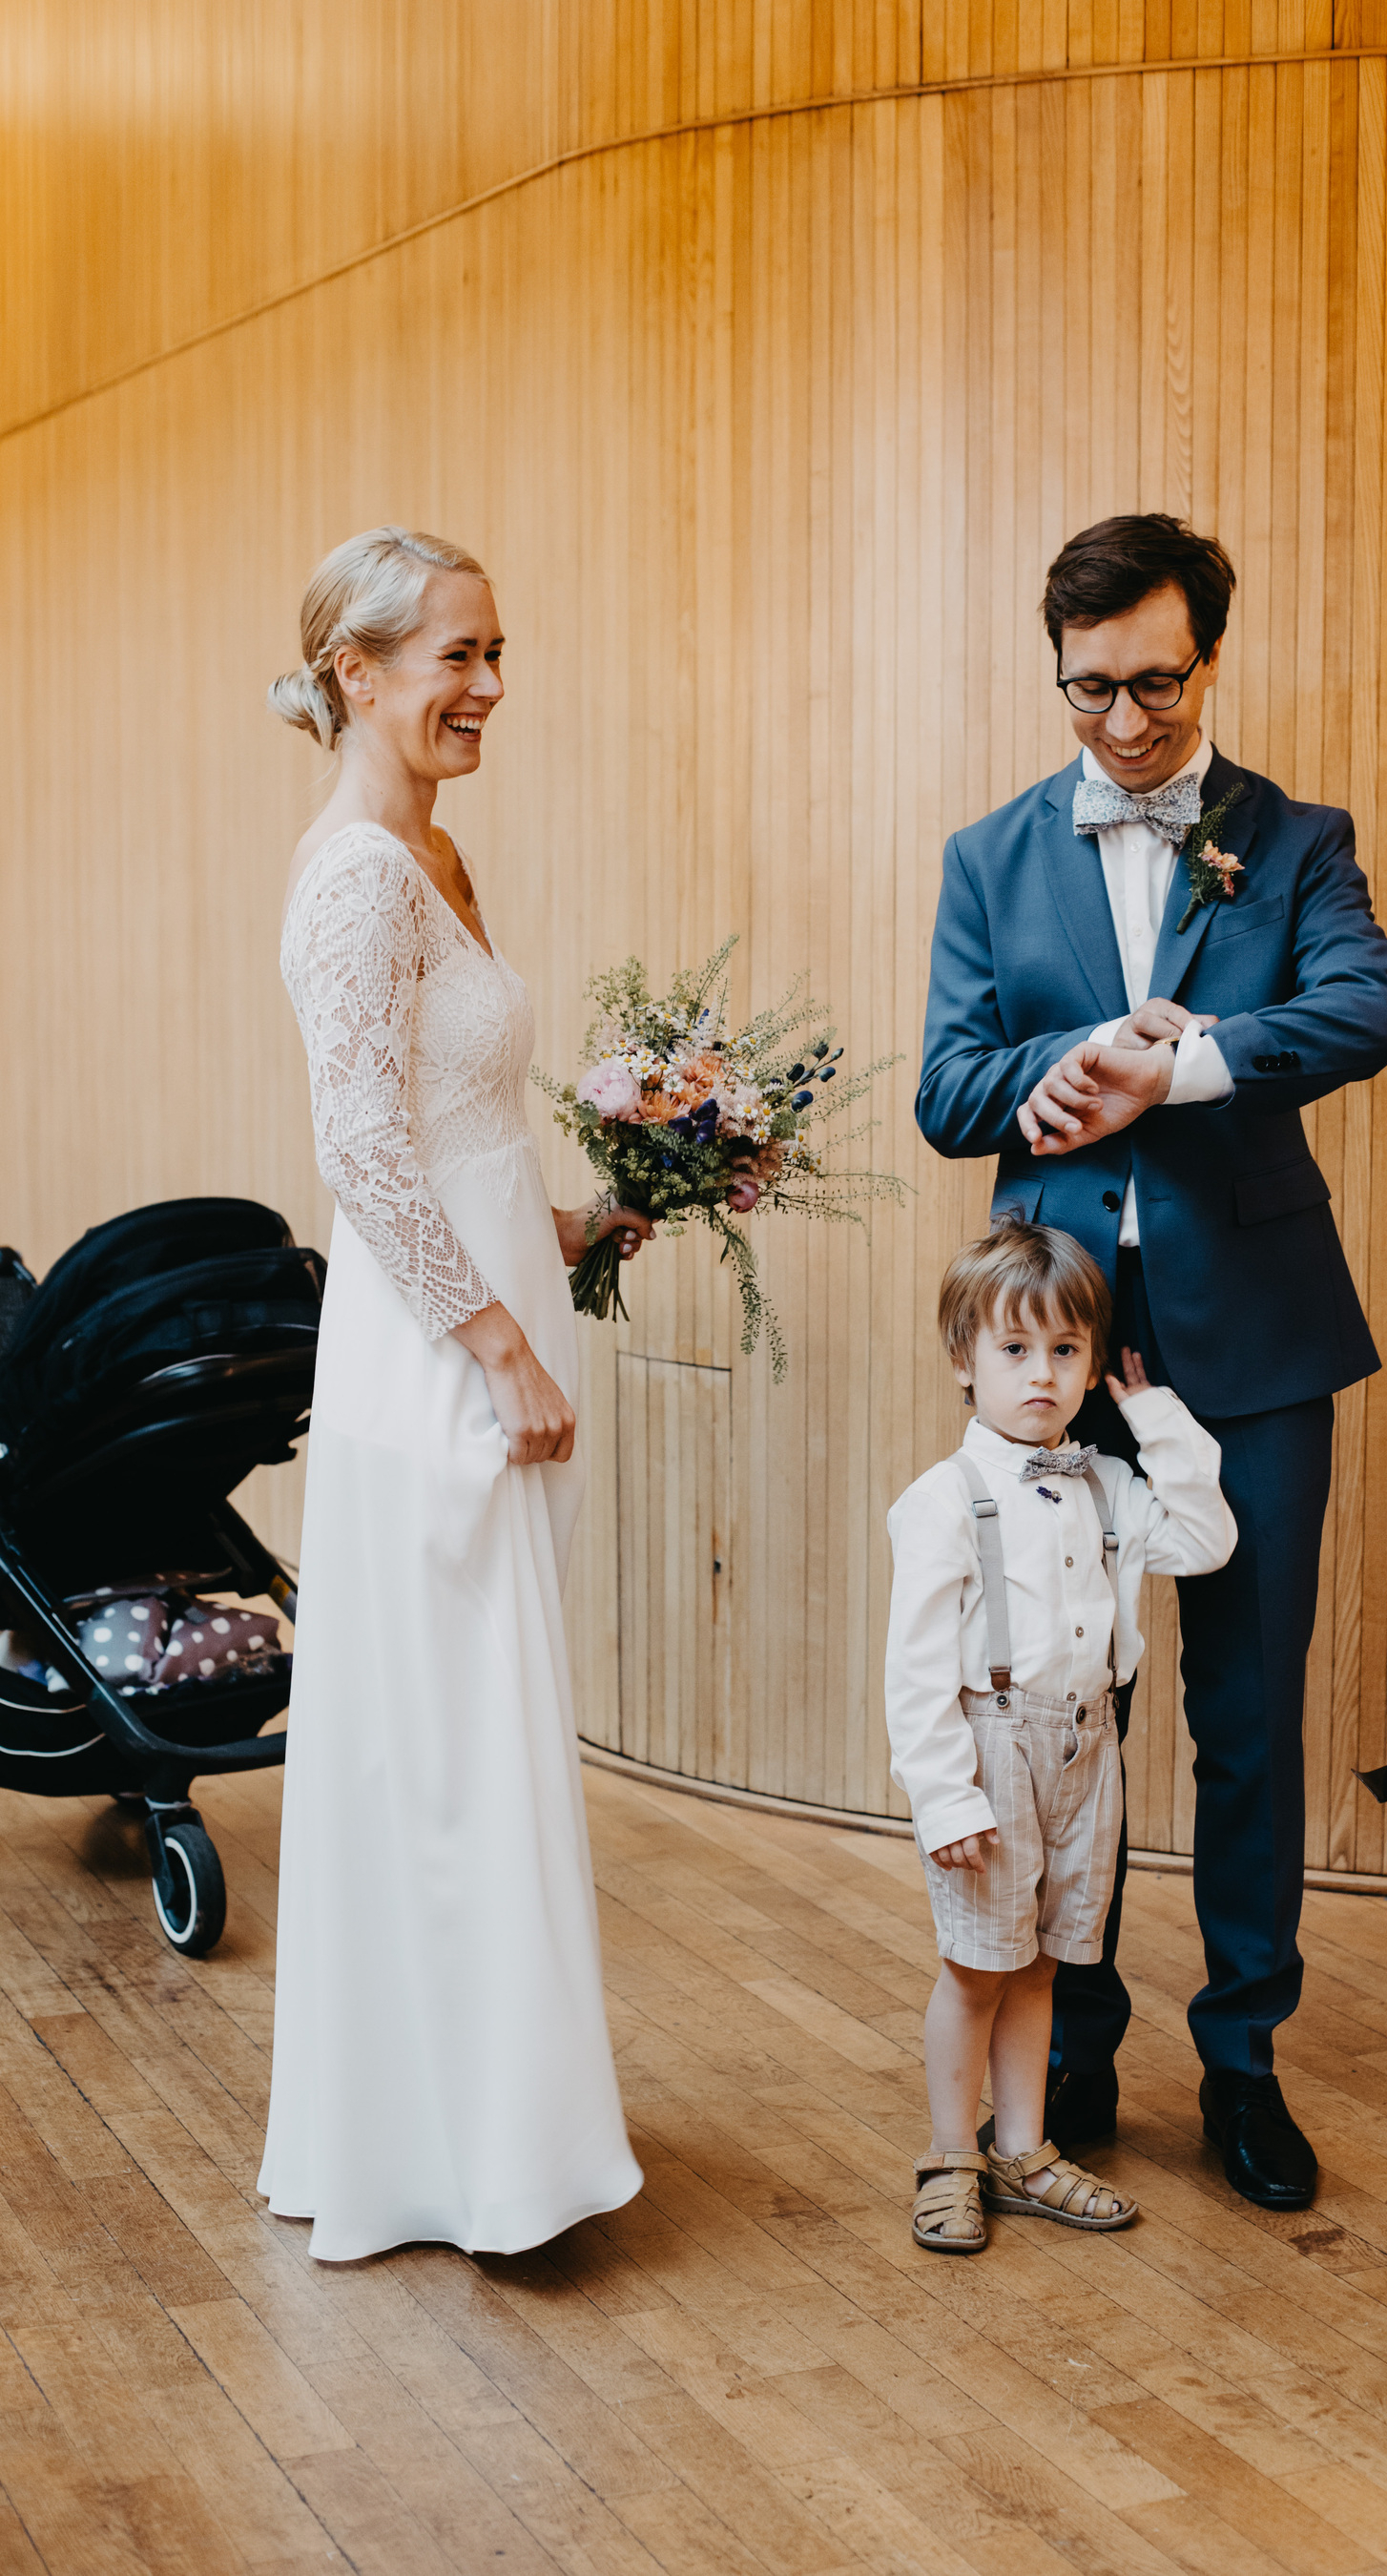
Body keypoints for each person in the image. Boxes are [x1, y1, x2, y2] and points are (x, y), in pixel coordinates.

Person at [917, 515, 1387, 2212]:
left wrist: (1183, 1068)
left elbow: (1364, 1010)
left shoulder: (1295, 839)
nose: (1124, 724)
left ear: (1210, 656)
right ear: (1056, 673)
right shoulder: (989, 856)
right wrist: (1058, 1064)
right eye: (1089, 691)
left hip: (1258, 1355)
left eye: (1154, 684)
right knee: (1063, 1713)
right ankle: (1073, 2039)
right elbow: (947, 1089)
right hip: (1052, 1365)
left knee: (1251, 1717)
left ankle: (1247, 2063)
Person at [259, 526, 657, 2260]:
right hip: (433, 1371)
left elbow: (451, 1129)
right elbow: (355, 1145)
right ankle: (464, 2161)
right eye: (457, 656)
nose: (490, 686)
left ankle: (467, 2131)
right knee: (443, 1751)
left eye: (501, 653)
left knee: (471, 1740)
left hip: (490, 1315)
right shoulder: (356, 872)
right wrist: (497, 1344)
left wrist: (579, 1220)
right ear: (359, 669)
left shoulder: (436, 853)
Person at [886, 1222, 1235, 2253]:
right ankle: (952, 2155)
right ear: (964, 1359)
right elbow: (915, 1674)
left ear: (1092, 1361)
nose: (1042, 1374)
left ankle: (1024, 2151)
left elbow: (1208, 1542)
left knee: (1043, 1965)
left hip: (1091, 1750)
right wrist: (946, 1797)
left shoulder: (1110, 1486)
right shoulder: (944, 1500)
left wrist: (1154, 1418)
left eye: (1066, 1351)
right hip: (992, 1754)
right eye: (1013, 1350)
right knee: (977, 1966)